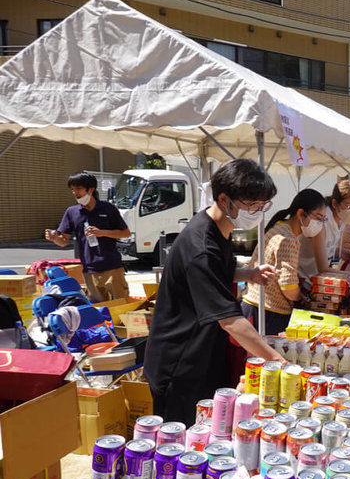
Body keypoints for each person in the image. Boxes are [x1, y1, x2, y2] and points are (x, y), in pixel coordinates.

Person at [144, 159, 286, 426]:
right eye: (252, 205)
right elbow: (230, 321)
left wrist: (249, 274)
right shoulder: (201, 245)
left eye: (263, 206)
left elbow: (216, 272)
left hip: (204, 353)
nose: (258, 212)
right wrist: (276, 359)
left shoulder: (218, 230)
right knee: (185, 441)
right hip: (180, 362)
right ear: (224, 199)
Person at [241, 189, 326, 335]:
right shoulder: (288, 239)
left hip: (256, 306)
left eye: (323, 219)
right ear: (301, 213)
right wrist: (303, 298)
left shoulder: (279, 227)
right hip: (269, 312)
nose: (320, 224)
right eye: (318, 217)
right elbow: (288, 286)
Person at [45, 172, 131, 303]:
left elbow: (125, 233)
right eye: (72, 189)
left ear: (91, 189)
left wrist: (103, 232)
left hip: (112, 267)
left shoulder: (108, 208)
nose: (75, 193)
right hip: (89, 269)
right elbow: (63, 241)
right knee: (98, 309)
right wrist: (54, 238)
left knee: (121, 305)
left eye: (78, 189)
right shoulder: (72, 212)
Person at [297, 177, 350, 295]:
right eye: (349, 207)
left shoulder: (341, 220)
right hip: (305, 282)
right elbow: (322, 268)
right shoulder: (322, 221)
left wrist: (339, 251)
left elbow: (325, 246)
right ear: (335, 204)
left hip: (318, 283)